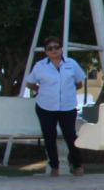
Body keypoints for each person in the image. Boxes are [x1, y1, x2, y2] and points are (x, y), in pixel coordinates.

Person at [24, 35, 87, 176]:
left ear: (61, 49)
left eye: (56, 47)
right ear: (46, 51)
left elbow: (79, 82)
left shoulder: (71, 63)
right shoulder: (40, 66)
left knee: (70, 135)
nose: (54, 50)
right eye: (50, 48)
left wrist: (66, 91)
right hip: (45, 106)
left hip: (67, 106)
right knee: (49, 136)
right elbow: (30, 82)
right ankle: (54, 167)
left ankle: (77, 165)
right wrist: (42, 90)